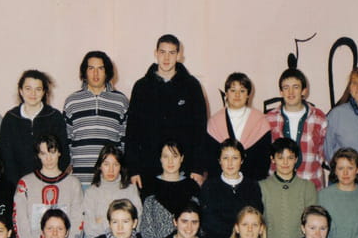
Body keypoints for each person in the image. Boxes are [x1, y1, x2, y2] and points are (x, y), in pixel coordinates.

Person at [125, 34, 207, 195]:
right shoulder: (141, 87)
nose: (167, 58)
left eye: (172, 52)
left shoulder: (191, 86)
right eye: (162, 52)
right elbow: (132, 132)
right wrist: (133, 169)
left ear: (179, 55)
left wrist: (198, 168)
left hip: (184, 169)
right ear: (155, 53)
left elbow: (200, 130)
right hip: (148, 169)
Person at [63, 51, 129, 185]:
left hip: (110, 180)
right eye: (91, 68)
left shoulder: (121, 101)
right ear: (84, 72)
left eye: (100, 68)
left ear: (107, 72)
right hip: (80, 179)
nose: (95, 73)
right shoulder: (72, 101)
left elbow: (125, 140)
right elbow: (67, 140)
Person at [13, 134, 83, 238]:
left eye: (52, 152)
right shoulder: (25, 183)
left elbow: (78, 219)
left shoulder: (73, 183)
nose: (49, 158)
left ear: (59, 152)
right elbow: (20, 221)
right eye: (43, 154)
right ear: (38, 155)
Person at [0, 69, 69, 186]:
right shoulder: (10, 118)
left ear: (44, 92)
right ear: (21, 91)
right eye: (28, 89)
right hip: (17, 185)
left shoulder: (54, 117)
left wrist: (51, 180)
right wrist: (18, 185)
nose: (33, 94)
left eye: (38, 89)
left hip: (50, 184)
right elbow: (6, 157)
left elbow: (63, 154)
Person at [266, 68, 327, 190]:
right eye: (286, 87)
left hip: (311, 185)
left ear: (304, 91)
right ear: (281, 92)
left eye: (296, 87)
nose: (291, 92)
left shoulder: (318, 118)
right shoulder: (269, 119)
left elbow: (323, 153)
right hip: (278, 187)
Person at [206, 72, 271, 181]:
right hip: (221, 183)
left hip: (252, 183)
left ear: (248, 94)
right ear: (226, 93)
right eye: (233, 90)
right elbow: (211, 161)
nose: (237, 95)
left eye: (242, 91)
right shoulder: (214, 123)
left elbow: (263, 162)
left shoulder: (260, 122)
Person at [200, 138, 263, 238]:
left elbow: (256, 217)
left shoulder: (252, 186)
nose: (230, 163)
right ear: (219, 160)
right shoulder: (209, 186)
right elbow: (208, 222)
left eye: (235, 158)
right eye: (225, 158)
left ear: (242, 160)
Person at [258, 137, 318, 238]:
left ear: (296, 159)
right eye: (280, 158)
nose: (285, 163)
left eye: (290, 158)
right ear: (272, 159)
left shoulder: (308, 187)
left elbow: (312, 224)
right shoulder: (262, 187)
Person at [138, 140, 199, 238]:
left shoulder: (191, 186)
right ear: (160, 158)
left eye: (175, 156)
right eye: (166, 156)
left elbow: (197, 223)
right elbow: (146, 229)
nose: (170, 161)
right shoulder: (149, 186)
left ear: (181, 158)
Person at [81, 144, 142, 238]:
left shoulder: (131, 190)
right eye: (106, 164)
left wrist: (101, 221)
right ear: (100, 166)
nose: (111, 170)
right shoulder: (91, 192)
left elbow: (137, 223)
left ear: (121, 167)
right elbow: (89, 228)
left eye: (115, 164)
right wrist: (122, 223)